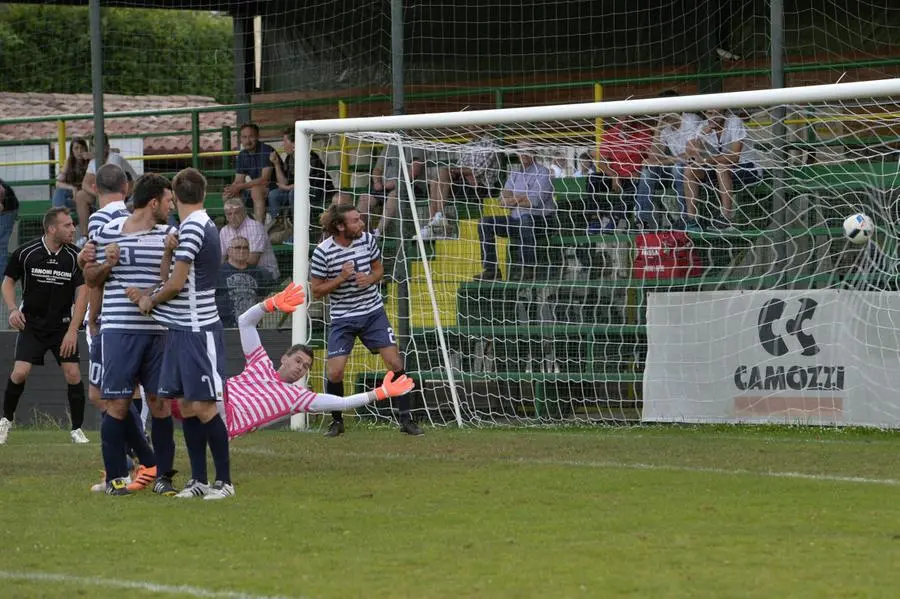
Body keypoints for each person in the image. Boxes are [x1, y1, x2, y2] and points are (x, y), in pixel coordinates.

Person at [131, 167, 232, 500]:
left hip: (196, 329)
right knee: (187, 407)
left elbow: (174, 284)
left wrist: (148, 300)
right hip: (182, 329)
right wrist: (167, 251)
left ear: (174, 195)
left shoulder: (193, 228)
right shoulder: (196, 226)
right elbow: (172, 274)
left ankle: (225, 483)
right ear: (204, 191)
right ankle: (199, 480)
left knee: (203, 407)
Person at [83, 174, 176, 495]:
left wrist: (166, 258)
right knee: (117, 404)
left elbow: (175, 282)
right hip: (119, 331)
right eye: (167, 201)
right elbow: (90, 278)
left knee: (160, 404)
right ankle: (116, 478)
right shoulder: (107, 232)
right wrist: (107, 265)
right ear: (153, 203)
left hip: (159, 332)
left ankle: (163, 477)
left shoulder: (170, 234)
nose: (171, 206)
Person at [223, 282, 414, 439]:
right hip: (218, 396)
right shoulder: (259, 364)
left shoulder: (298, 397)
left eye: (306, 366)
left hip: (225, 418)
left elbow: (343, 403)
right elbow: (245, 322)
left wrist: (380, 393)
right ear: (284, 358)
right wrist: (270, 304)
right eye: (298, 361)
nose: (301, 368)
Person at [310, 203, 423, 437]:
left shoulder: (368, 240)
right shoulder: (322, 252)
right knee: (335, 373)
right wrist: (341, 278)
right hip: (343, 318)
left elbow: (379, 270)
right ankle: (337, 421)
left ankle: (406, 420)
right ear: (340, 226)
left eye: (360, 219)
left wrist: (370, 279)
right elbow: (317, 291)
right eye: (355, 221)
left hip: (373, 313)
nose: (361, 224)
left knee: (396, 363)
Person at [0, 208, 89, 445]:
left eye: (73, 225)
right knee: (20, 372)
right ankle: (5, 421)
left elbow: (83, 295)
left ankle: (77, 429)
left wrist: (73, 330)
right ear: (51, 229)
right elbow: (8, 283)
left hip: (62, 327)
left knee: (73, 374)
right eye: (67, 225)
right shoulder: (26, 252)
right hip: (32, 325)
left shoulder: (75, 256)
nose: (73, 229)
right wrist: (11, 309)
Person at [472, 148, 555, 281]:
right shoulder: (514, 174)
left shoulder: (543, 172)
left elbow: (534, 202)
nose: (524, 154)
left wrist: (513, 199)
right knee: (485, 222)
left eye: (528, 151)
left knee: (525, 219)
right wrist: (520, 198)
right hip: (516, 220)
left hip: (542, 221)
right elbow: (502, 201)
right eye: (521, 151)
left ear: (535, 153)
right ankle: (491, 270)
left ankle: (528, 268)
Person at [683, 109, 763, 231]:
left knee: (721, 167)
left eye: (716, 113)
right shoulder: (703, 127)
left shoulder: (734, 122)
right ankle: (692, 219)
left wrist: (705, 161)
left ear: (723, 112)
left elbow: (735, 157)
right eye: (709, 113)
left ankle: (726, 218)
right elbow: (691, 156)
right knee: (690, 170)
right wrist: (700, 138)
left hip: (748, 167)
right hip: (719, 169)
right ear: (705, 114)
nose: (713, 117)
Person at [75, 134, 139, 243]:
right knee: (81, 195)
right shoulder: (93, 162)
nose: (95, 149)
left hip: (131, 193)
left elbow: (113, 184)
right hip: (109, 194)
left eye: (98, 146)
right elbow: (85, 184)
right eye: (93, 146)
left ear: (106, 147)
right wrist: (98, 194)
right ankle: (85, 237)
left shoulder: (114, 158)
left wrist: (100, 193)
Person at [216, 236, 275, 328]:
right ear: (229, 251)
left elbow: (260, 297)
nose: (242, 250)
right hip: (226, 327)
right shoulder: (219, 272)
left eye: (245, 248)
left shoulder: (257, 272)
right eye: (238, 247)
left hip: (251, 326)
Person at [224, 123, 276, 226]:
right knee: (229, 195)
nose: (247, 141)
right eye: (244, 137)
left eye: (251, 137)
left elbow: (265, 180)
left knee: (256, 190)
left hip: (273, 187)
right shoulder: (242, 155)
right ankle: (238, 227)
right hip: (254, 188)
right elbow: (238, 180)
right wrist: (231, 188)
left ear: (257, 137)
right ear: (241, 139)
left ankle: (258, 229)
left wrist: (239, 186)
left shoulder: (266, 150)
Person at [218, 198, 279, 280]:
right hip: (236, 272)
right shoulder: (224, 230)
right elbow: (222, 257)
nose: (233, 217)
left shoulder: (255, 227)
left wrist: (231, 271)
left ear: (244, 213)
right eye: (229, 214)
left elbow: (253, 260)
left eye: (236, 213)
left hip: (264, 271)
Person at [52, 137, 90, 211]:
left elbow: (115, 151)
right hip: (73, 196)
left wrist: (93, 155)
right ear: (72, 151)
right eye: (76, 148)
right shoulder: (69, 161)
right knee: (60, 191)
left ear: (86, 149)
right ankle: (59, 214)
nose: (79, 151)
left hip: (86, 197)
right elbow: (58, 183)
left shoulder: (91, 161)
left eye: (82, 148)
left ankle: (59, 214)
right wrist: (73, 188)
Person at [0, 177, 20, 279]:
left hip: (6, 210)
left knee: (1, 245)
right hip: (8, 207)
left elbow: (1, 190)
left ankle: (2, 280)